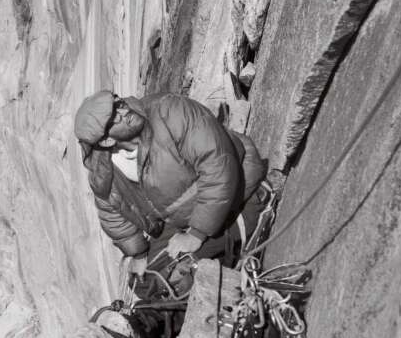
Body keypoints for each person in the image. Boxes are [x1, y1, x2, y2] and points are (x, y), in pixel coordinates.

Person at [74, 90, 267, 298]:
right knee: (144, 283)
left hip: (236, 186)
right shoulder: (105, 174)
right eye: (113, 117)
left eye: (118, 104)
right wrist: (138, 254)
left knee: (186, 269)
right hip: (179, 218)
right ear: (105, 142)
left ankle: (255, 217)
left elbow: (218, 165)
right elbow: (113, 217)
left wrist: (196, 234)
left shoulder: (170, 112)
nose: (124, 111)